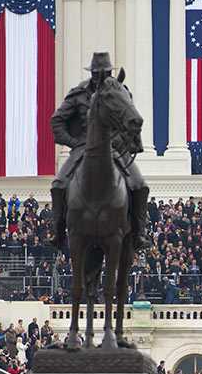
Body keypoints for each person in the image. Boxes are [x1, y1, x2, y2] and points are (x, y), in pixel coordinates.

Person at [46, 52, 152, 251]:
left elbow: (129, 122)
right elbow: (57, 120)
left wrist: (117, 142)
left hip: (115, 148)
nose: (99, 77)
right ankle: (58, 233)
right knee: (58, 185)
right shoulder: (78, 94)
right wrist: (74, 142)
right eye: (96, 73)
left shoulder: (121, 92)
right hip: (83, 148)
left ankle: (138, 233)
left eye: (103, 73)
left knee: (140, 186)